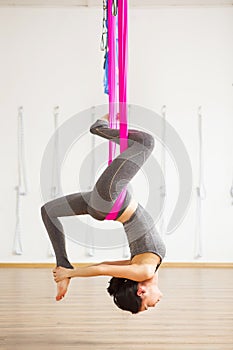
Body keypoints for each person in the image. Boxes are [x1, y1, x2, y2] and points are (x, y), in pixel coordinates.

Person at [41, 113, 166, 314]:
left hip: (110, 200)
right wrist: (68, 273)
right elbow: (104, 265)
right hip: (104, 205)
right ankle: (62, 263)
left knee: (145, 142)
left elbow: (102, 269)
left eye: (148, 305)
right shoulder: (143, 268)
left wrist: (71, 273)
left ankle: (99, 127)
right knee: (47, 211)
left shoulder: (145, 270)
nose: (154, 305)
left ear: (141, 292)